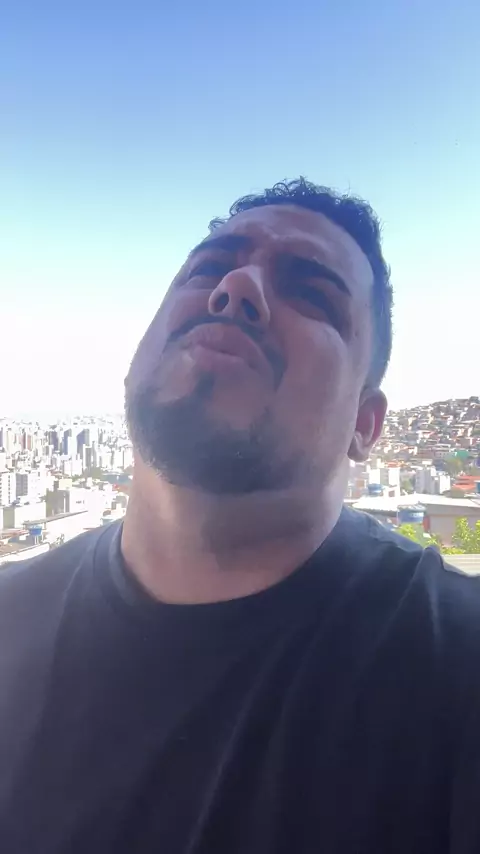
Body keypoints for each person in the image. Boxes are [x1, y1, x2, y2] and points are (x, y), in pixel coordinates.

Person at [1, 178, 479, 854]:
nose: (236, 288)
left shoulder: (455, 674)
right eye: (208, 269)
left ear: (365, 425)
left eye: (311, 293)